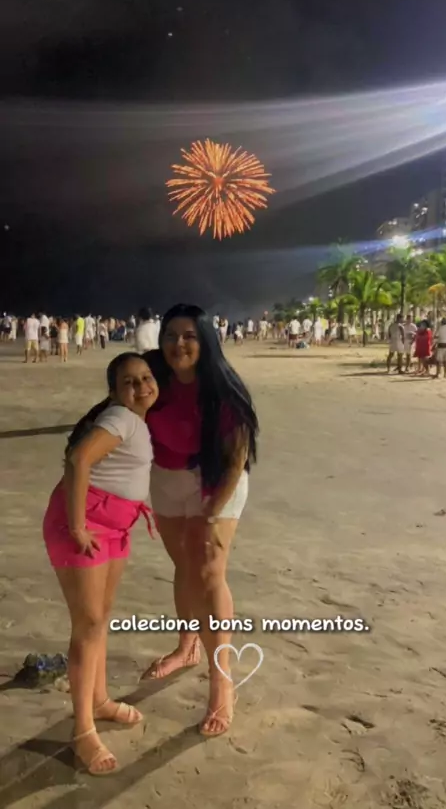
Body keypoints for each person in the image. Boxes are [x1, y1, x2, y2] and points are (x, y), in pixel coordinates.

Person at [141, 304, 259, 738]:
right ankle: (186, 647)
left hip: (217, 481)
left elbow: (236, 458)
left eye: (189, 335)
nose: (179, 344)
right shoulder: (152, 378)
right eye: (171, 335)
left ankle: (221, 679)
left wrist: (211, 512)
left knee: (208, 574)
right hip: (166, 479)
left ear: (205, 340)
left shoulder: (223, 389)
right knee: (184, 567)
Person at [42, 353, 159, 775]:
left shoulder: (134, 420)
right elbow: (79, 460)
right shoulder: (121, 418)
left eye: (146, 377)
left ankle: (100, 699)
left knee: (99, 620)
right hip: (84, 526)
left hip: (113, 527)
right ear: (113, 392)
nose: (141, 386)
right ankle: (82, 731)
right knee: (88, 625)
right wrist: (77, 527)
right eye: (129, 381)